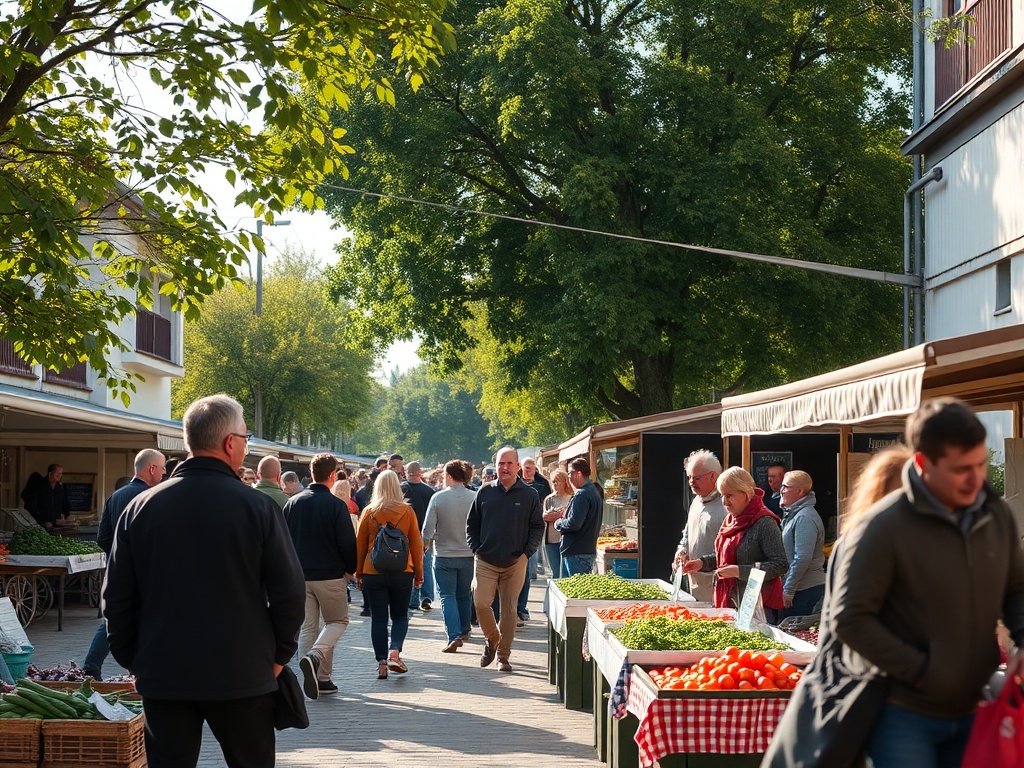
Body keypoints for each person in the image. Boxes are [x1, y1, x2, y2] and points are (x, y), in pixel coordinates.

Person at [102, 394, 305, 768]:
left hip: (164, 670)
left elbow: (115, 597)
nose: (246, 447)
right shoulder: (258, 508)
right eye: (245, 438)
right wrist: (278, 656)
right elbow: (290, 593)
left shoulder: (140, 508)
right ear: (230, 442)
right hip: (243, 670)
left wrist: (134, 658)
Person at [829, 399, 1024, 768]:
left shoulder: (994, 514)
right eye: (960, 469)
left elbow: (1016, 588)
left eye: (981, 464)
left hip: (975, 705)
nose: (975, 479)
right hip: (901, 713)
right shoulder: (881, 527)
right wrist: (923, 672)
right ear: (922, 464)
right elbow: (850, 620)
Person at [82, 449, 165, 680]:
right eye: (162, 468)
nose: (164, 473)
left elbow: (102, 537)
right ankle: (137, 671)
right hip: (144, 571)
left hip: (116, 569)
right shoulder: (153, 497)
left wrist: (118, 557)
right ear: (151, 469)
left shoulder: (116, 496)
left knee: (114, 617)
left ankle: (93, 665)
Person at [285, 453, 358, 700]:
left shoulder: (293, 503)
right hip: (330, 575)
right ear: (331, 475)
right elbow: (347, 542)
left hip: (299, 575)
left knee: (308, 626)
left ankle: (319, 679)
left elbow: (283, 541)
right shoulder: (337, 505)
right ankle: (317, 661)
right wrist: (350, 569)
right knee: (337, 622)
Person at [467, 446, 544, 673]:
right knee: (481, 602)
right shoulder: (485, 492)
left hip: (515, 562)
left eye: (509, 463)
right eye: (501, 463)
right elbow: (472, 524)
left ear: (518, 467)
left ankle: (503, 656)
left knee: (509, 610)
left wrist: (526, 554)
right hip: (485, 560)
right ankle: (492, 639)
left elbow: (537, 527)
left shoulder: (530, 495)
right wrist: (475, 548)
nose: (505, 468)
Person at [682, 466, 788, 623]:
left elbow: (780, 564)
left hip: (757, 608)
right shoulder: (731, 520)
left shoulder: (765, 523)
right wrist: (702, 563)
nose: (724, 501)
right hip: (730, 603)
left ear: (745, 494)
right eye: (723, 496)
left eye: (729, 495)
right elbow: (725, 557)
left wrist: (740, 571)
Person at [355, 469, 423, 680]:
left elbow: (359, 545)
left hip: (373, 571)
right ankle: (395, 651)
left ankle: (382, 663)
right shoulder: (407, 511)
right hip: (402, 571)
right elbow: (415, 544)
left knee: (378, 618)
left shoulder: (368, 511)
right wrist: (418, 573)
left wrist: (359, 572)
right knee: (401, 616)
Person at [422, 460, 477, 653]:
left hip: (444, 553)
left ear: (449, 475)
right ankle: (464, 628)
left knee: (446, 595)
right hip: (469, 555)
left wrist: (425, 545)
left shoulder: (438, 498)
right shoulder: (475, 497)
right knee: (464, 594)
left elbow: (427, 529)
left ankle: (453, 635)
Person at [672, 450, 727, 603]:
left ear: (713, 476)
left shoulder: (726, 505)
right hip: (694, 583)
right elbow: (687, 534)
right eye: (689, 477)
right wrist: (681, 550)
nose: (691, 482)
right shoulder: (696, 501)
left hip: (718, 585)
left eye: (696, 478)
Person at [778, 470, 826, 619]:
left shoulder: (805, 517)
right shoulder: (794, 514)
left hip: (806, 591)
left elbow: (802, 558)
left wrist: (788, 589)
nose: (781, 490)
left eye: (785, 486)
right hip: (798, 589)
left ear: (799, 491)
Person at [515, 457, 552, 624]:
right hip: (514, 533)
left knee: (527, 572)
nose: (528, 471)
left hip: (532, 533)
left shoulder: (542, 485)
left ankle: (521, 608)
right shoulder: (514, 482)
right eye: (525, 468)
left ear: (536, 469)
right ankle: (512, 607)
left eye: (530, 468)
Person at [553, 458, 603, 577]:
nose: (568, 477)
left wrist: (559, 523)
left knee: (574, 593)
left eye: (570, 473)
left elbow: (574, 523)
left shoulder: (582, 494)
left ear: (579, 473)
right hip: (584, 550)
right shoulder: (593, 491)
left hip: (576, 552)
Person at [402, 461, 436, 611]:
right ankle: (426, 597)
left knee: (409, 566)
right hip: (424, 533)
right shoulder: (429, 491)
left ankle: (412, 600)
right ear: (420, 473)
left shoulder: (401, 489)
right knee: (426, 566)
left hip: (405, 533)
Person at [541, 469, 575, 582]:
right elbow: (546, 517)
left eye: (557, 481)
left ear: (565, 482)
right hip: (551, 540)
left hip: (567, 540)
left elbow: (571, 517)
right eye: (553, 482)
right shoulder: (549, 499)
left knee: (566, 574)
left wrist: (558, 515)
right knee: (556, 573)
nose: (554, 484)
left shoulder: (572, 497)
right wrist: (561, 514)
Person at [22, 463, 70, 528]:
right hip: (41, 526)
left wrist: (63, 514)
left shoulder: (60, 488)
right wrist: (42, 522)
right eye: (57, 473)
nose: (60, 476)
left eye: (61, 473)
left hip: (57, 526)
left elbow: (64, 505)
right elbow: (32, 506)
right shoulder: (39, 486)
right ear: (50, 474)